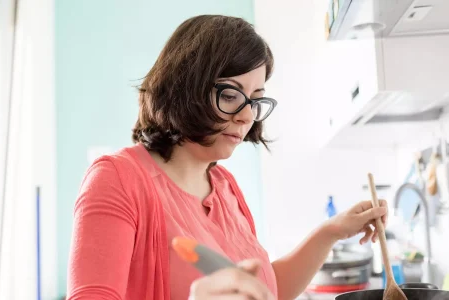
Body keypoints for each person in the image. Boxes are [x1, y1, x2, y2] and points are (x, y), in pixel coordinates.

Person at [66, 15, 387, 300]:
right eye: (231, 95)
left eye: (255, 100)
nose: (247, 116)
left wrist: (331, 232)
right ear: (184, 89)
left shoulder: (225, 187)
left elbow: (263, 290)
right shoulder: (118, 178)